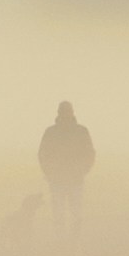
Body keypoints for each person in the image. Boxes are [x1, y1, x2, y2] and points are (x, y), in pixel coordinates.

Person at [37, 99, 95, 239]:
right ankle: (61, 240)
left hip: (74, 179)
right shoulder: (52, 132)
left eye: (67, 111)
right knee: (59, 212)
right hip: (58, 179)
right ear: (59, 113)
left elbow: (89, 154)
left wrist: (83, 170)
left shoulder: (80, 131)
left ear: (72, 112)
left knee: (75, 212)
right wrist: (49, 172)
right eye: (63, 112)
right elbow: (43, 154)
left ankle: (74, 240)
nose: (65, 114)